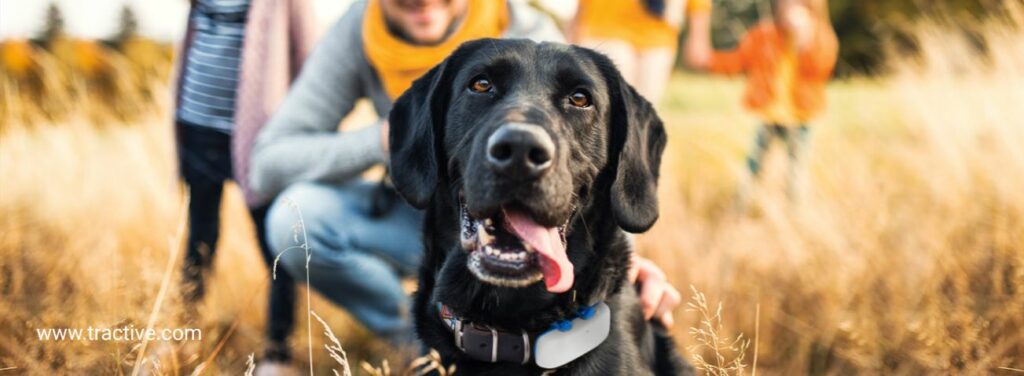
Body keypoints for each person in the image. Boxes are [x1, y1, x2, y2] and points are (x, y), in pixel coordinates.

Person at [251, 0, 685, 359]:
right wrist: (385, 139)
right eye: (481, 86)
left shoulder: (527, 26)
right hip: (422, 210)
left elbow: (590, 151)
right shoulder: (357, 32)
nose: (423, 3)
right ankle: (421, 340)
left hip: (542, 214)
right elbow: (268, 161)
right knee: (295, 218)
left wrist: (621, 262)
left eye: (575, 98)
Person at [171, 0, 315, 370]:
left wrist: (301, 135)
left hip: (259, 138)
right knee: (198, 241)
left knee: (278, 246)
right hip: (197, 125)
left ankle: (278, 353)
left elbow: (310, 60)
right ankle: (182, 338)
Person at [689, 0, 838, 202]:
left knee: (796, 169)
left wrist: (806, 40)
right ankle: (741, 205)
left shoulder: (821, 36)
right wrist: (709, 61)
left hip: (800, 117)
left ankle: (795, 210)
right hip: (770, 115)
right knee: (754, 164)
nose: (789, 7)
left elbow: (821, 68)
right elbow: (737, 61)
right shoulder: (764, 35)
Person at [569, 0, 713, 104]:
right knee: (612, 103)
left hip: (659, 35)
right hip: (607, 27)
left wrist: (698, 36)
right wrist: (574, 28)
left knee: (644, 108)